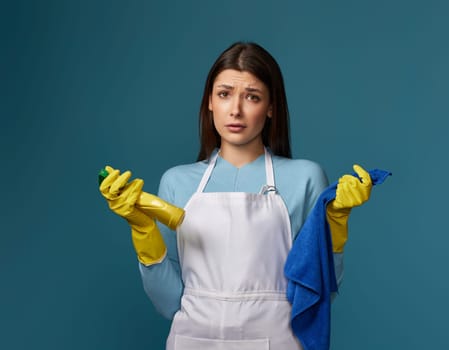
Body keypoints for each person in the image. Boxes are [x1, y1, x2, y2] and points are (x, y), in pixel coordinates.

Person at [99, 42, 372, 349]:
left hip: (276, 339)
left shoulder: (304, 178)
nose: (236, 110)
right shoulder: (177, 182)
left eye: (252, 97)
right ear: (210, 102)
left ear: (270, 107)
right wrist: (143, 229)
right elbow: (168, 303)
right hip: (194, 340)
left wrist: (335, 225)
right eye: (224, 94)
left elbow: (320, 293)